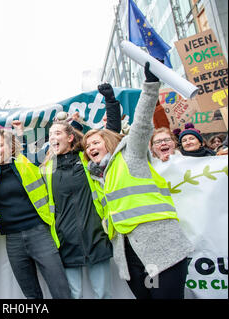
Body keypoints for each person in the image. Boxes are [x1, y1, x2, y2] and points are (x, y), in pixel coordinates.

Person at [81, 62, 193, 299]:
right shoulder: (96, 175)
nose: (91, 147)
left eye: (96, 142)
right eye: (87, 145)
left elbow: (142, 123)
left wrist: (150, 85)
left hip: (163, 248)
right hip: (130, 257)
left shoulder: (130, 154)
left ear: (109, 143)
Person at [0, 128, 71, 299]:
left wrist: (75, 125)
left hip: (39, 233)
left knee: (61, 291)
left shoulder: (27, 163)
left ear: (11, 147)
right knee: (31, 295)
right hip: (13, 240)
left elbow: (57, 150)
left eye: (0, 145)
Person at [40, 120, 113, 299]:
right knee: (73, 294)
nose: (52, 138)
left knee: (102, 294)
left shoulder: (87, 159)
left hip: (95, 236)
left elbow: (110, 140)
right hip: (65, 241)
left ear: (70, 137)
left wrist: (110, 106)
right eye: (50, 135)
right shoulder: (46, 170)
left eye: (57, 133)